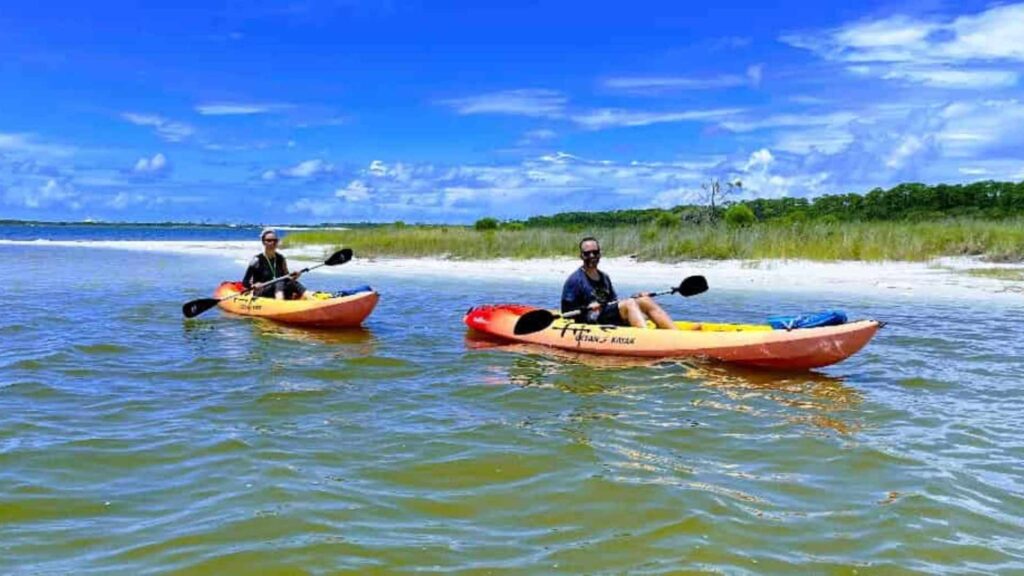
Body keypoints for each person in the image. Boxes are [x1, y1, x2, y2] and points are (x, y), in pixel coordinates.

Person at [561, 237, 677, 329]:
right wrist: (587, 307)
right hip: (590, 319)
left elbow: (613, 302)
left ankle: (675, 335)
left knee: (643, 300)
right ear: (581, 256)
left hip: (606, 315)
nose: (592, 256)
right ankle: (645, 338)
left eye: (595, 252)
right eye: (587, 253)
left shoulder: (604, 277)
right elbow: (566, 312)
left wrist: (636, 299)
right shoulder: (575, 280)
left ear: (599, 254)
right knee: (630, 304)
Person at [242, 228, 308, 300]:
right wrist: (253, 285)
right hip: (262, 291)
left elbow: (286, 278)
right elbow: (245, 282)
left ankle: (310, 299)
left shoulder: (281, 258)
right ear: (263, 242)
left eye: (275, 240)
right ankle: (280, 304)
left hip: (279, 288)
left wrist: (295, 276)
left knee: (292, 282)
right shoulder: (256, 260)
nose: (272, 243)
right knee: (278, 282)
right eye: (269, 240)